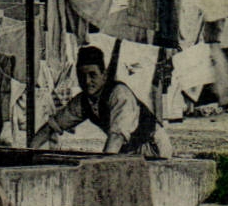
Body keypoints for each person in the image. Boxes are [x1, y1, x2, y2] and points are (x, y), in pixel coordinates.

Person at [29, 44, 175, 158]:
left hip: (153, 148)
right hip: (127, 150)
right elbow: (52, 126)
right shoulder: (82, 101)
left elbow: (116, 136)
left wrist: (102, 166)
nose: (87, 81)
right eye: (82, 75)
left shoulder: (119, 95)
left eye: (93, 75)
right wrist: (29, 152)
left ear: (104, 75)